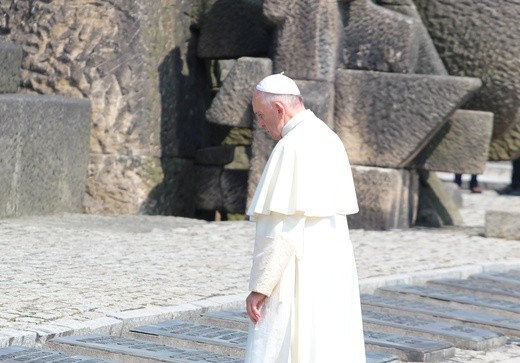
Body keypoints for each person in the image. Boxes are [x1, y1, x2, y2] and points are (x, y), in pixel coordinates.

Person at [244, 73, 366, 362]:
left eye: (261, 115)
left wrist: (261, 287)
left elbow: (280, 229)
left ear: (279, 110)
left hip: (298, 267)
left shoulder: (291, 146)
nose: (260, 124)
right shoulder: (327, 135)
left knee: (289, 341)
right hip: (332, 267)